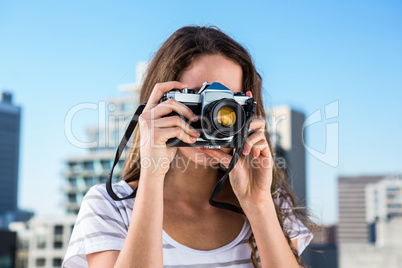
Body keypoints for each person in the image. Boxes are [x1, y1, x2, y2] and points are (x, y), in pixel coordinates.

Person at [63, 26, 317, 268]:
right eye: (197, 98)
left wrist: (258, 204)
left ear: (247, 111)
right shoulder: (109, 207)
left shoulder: (272, 203)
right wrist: (152, 173)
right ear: (158, 104)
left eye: (225, 103)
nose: (213, 116)